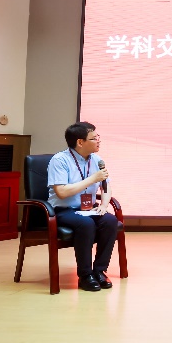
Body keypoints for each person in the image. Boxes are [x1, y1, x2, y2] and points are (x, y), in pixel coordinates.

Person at [47, 122, 118, 292]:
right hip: (63, 210)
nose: (98, 141)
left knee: (110, 221)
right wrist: (92, 179)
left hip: (88, 209)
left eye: (98, 137)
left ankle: (99, 271)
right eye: (94, 138)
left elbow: (106, 187)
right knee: (86, 224)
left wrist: (104, 205)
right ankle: (85, 275)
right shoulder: (60, 160)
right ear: (80, 142)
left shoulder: (97, 160)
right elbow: (62, 192)